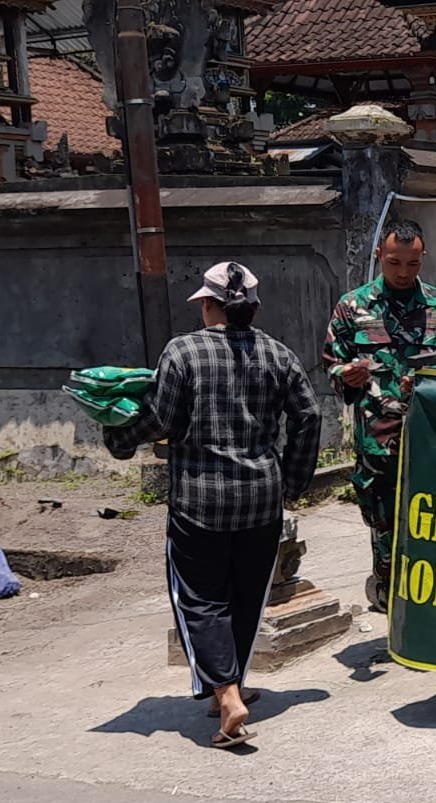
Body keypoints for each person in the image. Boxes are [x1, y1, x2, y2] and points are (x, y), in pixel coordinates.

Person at [105, 262, 322, 749]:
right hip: (261, 500)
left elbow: (160, 419)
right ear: (253, 307)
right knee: (246, 596)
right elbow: (309, 415)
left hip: (199, 501)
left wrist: (117, 435)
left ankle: (226, 696)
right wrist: (293, 481)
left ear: (207, 305)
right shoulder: (279, 354)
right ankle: (232, 683)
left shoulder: (182, 352)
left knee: (200, 598)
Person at [322, 219, 436, 612]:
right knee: (383, 520)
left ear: (424, 258)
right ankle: (390, 597)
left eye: (413, 263)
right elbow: (332, 362)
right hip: (378, 436)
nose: (403, 272)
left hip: (431, 437)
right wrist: (346, 374)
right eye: (394, 262)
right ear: (379, 256)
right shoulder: (352, 306)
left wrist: (433, 378)